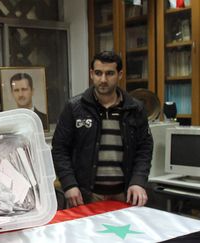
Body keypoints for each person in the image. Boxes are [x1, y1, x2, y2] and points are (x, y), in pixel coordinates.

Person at [52, 51, 153, 208]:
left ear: (120, 74)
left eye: (109, 73)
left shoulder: (135, 108)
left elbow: (144, 149)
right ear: (91, 74)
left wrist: (138, 182)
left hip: (124, 194)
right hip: (86, 195)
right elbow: (60, 149)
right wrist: (69, 184)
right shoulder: (74, 107)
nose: (103, 79)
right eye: (98, 73)